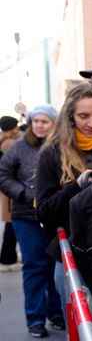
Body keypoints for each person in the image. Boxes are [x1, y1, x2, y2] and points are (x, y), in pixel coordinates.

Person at [36, 84, 92, 314]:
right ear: (70, 118)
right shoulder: (52, 153)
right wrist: (77, 185)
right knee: (85, 339)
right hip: (74, 256)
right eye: (84, 116)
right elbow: (44, 211)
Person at [0, 105, 64, 338]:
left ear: (53, 124)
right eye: (36, 120)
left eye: (44, 121)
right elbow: (2, 175)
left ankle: (56, 314)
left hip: (53, 217)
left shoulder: (60, 147)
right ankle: (35, 319)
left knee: (55, 266)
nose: (39, 125)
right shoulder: (17, 147)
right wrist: (24, 194)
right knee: (35, 267)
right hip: (25, 217)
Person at [0, 115, 21, 272]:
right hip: (12, 187)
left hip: (7, 186)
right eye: (16, 126)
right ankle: (7, 258)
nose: (18, 129)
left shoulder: (3, 140)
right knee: (12, 221)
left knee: (11, 221)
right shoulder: (10, 143)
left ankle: (8, 256)